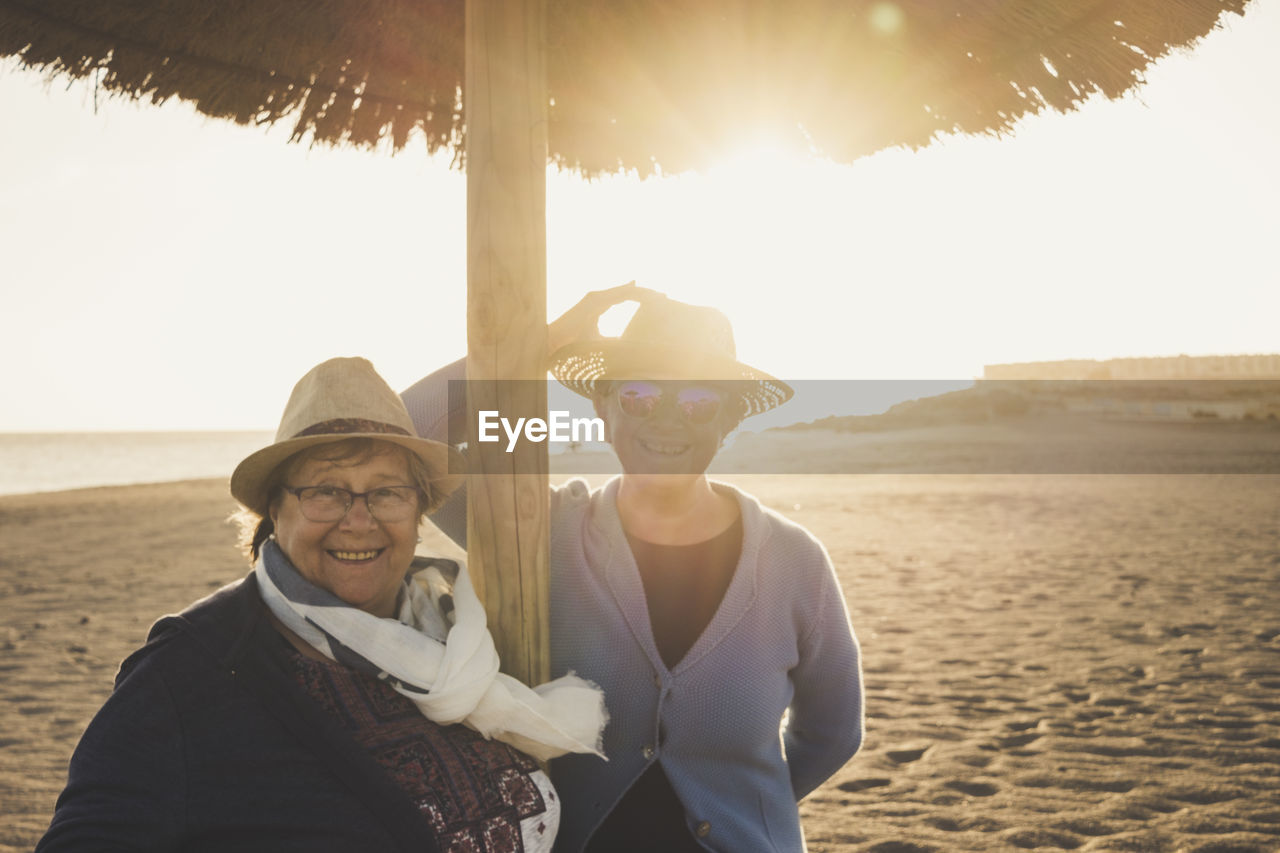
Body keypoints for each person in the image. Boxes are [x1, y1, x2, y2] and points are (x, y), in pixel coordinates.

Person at [37, 357, 606, 852]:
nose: (358, 519)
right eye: (326, 490)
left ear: (419, 511)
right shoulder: (191, 669)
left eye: (386, 491)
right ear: (274, 511)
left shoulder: (454, 637)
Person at [402, 286, 864, 852]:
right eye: (640, 395)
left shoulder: (795, 562)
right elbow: (401, 440)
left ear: (731, 421)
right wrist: (540, 344)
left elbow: (834, 732)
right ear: (602, 407)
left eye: (698, 402)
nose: (667, 420)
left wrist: (748, 807)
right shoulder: (534, 531)